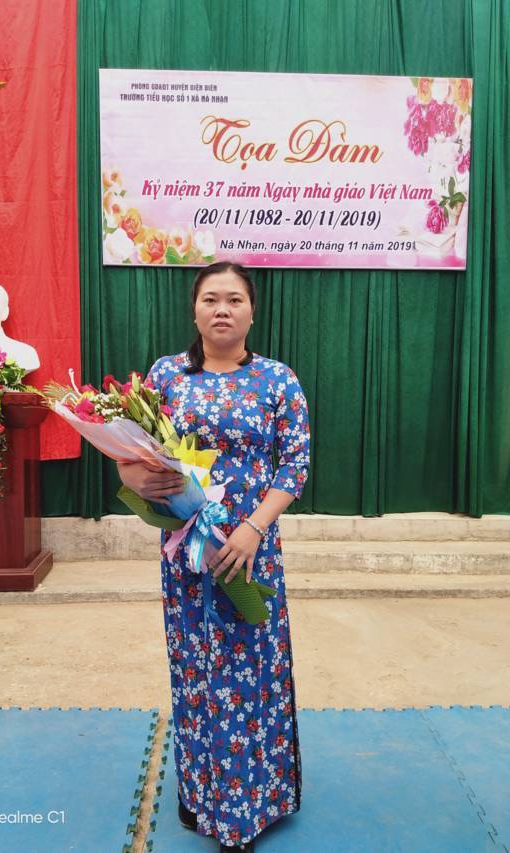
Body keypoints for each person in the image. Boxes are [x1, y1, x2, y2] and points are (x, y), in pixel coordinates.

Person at [117, 262, 311, 851]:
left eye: (233, 299)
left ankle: (251, 803)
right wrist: (132, 475)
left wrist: (253, 528)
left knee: (253, 669)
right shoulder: (166, 376)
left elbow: (294, 465)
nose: (221, 309)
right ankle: (201, 791)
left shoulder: (278, 380)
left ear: (252, 311)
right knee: (194, 666)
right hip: (186, 549)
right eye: (210, 299)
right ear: (194, 309)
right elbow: (135, 450)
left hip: (250, 550)